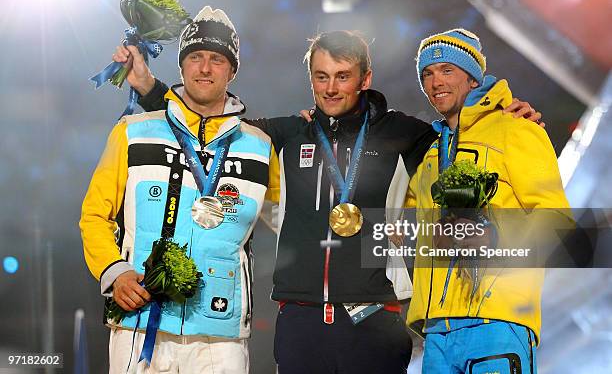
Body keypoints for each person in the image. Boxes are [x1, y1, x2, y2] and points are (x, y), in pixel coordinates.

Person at [122, 29, 541, 374]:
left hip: (376, 315)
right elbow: (208, 125)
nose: (331, 87)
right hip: (300, 317)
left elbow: (462, 135)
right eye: (321, 77)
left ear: (365, 78)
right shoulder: (286, 135)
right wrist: (148, 88)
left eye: (342, 76)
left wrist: (507, 113)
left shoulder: (405, 134)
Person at [80, 5, 279, 374]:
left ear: (232, 69)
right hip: (139, 321)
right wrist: (115, 271)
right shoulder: (132, 132)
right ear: (182, 65)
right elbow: (94, 215)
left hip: (221, 334)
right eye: (195, 57)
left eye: (217, 59)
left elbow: (292, 222)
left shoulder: (261, 147)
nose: (205, 68)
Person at [404, 28, 572, 373]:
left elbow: (558, 219)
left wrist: (495, 238)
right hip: (437, 332)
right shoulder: (430, 156)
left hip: (496, 323)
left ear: (472, 77)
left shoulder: (516, 129)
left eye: (447, 70)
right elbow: (400, 220)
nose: (436, 82)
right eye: (428, 73)